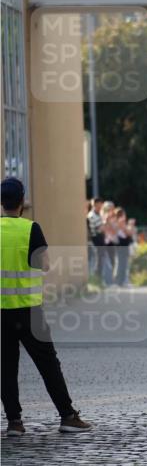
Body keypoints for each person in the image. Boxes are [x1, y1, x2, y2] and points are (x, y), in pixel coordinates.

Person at [1, 177, 92, 435]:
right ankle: (67, 416)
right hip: (30, 310)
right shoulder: (31, 229)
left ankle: (14, 423)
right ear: (22, 202)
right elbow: (45, 264)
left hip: (0, 312)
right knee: (48, 365)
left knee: (6, 367)